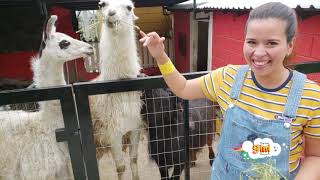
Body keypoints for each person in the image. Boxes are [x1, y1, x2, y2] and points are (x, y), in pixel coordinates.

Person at [139, 2, 320, 180]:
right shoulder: (228, 78)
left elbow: (315, 157)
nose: (258, 52)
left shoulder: (310, 96)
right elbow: (183, 88)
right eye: (251, 42)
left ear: (289, 45)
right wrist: (160, 55)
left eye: (271, 43)